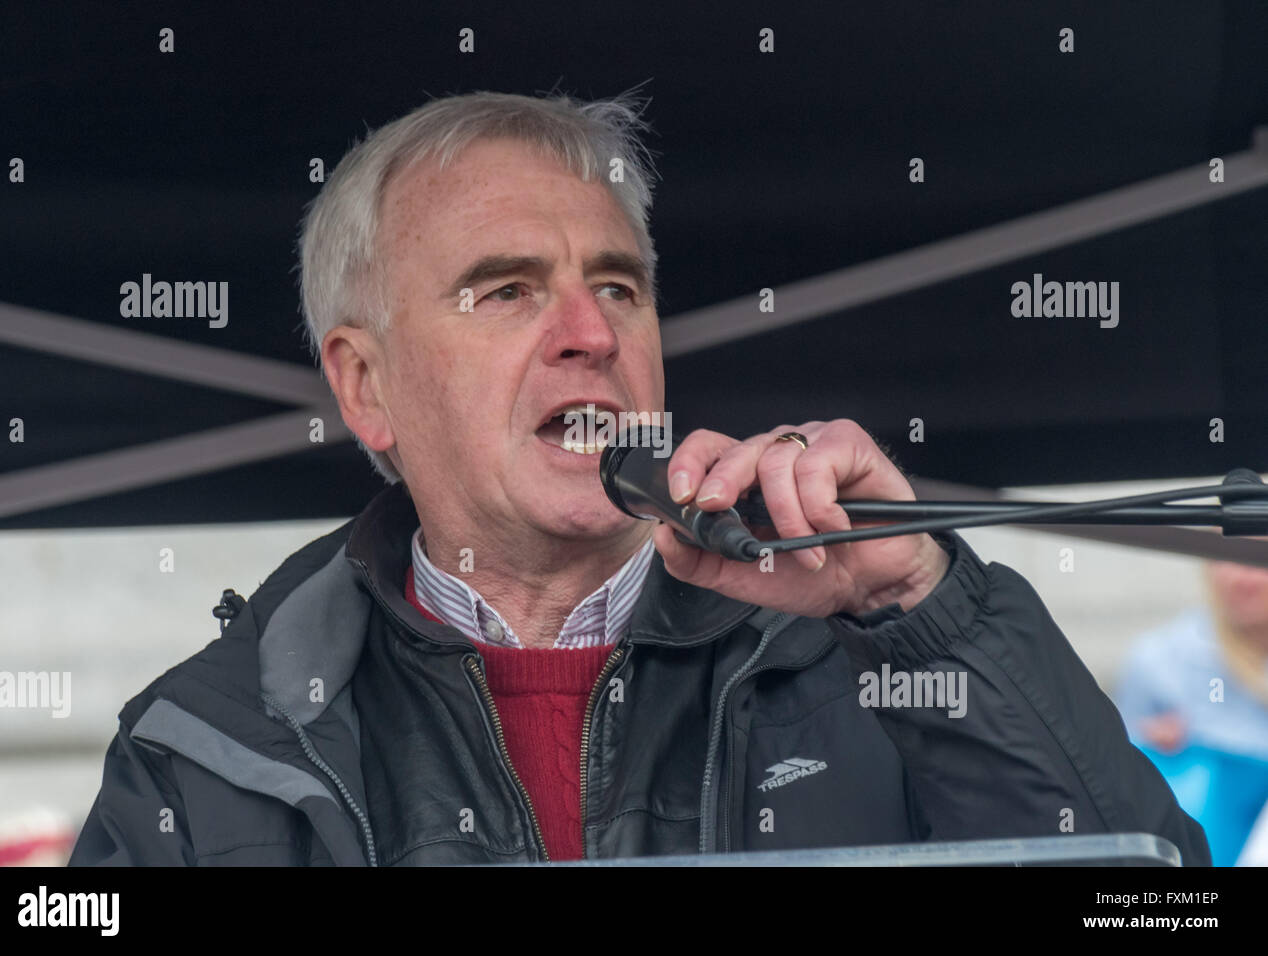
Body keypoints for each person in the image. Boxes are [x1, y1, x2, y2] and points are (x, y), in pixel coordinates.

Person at [69, 90, 1208, 866]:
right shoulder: (205, 745)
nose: (587, 331)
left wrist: (915, 607)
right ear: (366, 386)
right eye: (505, 291)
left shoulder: (861, 652)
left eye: (617, 287)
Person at [1116, 557, 1268, 865]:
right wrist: (1150, 755)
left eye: (1260, 555)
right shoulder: (1159, 662)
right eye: (1228, 555)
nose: (1244, 577)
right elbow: (1117, 790)